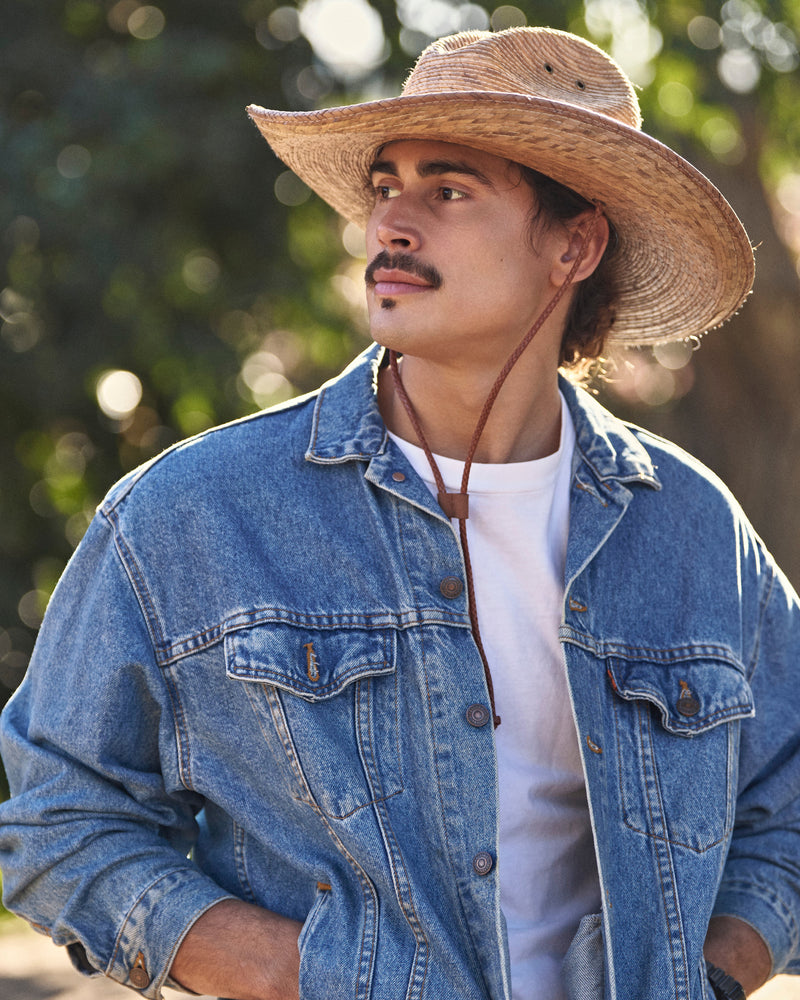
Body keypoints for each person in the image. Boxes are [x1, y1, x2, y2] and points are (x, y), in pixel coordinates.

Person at [1, 24, 799, 1000]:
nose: (391, 225)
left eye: (448, 190)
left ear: (573, 242)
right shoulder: (191, 514)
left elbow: (789, 799)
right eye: (384, 188)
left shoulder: (689, 531)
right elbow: (59, 819)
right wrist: (313, 975)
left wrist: (713, 975)